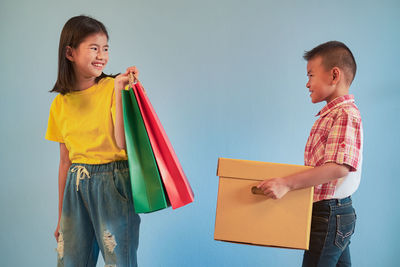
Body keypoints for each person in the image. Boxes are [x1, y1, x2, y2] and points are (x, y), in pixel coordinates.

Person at [46, 15, 141, 267]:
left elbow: (122, 143)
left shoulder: (113, 87)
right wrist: (60, 217)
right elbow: (65, 162)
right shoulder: (60, 104)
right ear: (70, 53)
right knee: (70, 261)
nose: (102, 55)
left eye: (106, 48)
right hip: (74, 186)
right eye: (94, 48)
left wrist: (120, 91)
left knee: (118, 260)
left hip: (112, 182)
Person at [257, 41, 363, 267]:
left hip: (330, 215)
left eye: (311, 75)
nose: (307, 84)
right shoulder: (331, 115)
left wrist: (287, 183)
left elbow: (338, 167)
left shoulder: (344, 114)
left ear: (334, 75)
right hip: (332, 214)